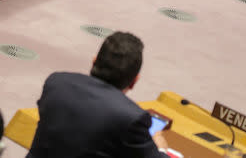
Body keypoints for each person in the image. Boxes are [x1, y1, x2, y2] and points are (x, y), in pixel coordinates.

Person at [26, 32, 169, 158]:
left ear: (94, 62)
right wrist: (160, 147)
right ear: (134, 82)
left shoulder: (56, 82)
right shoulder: (130, 118)